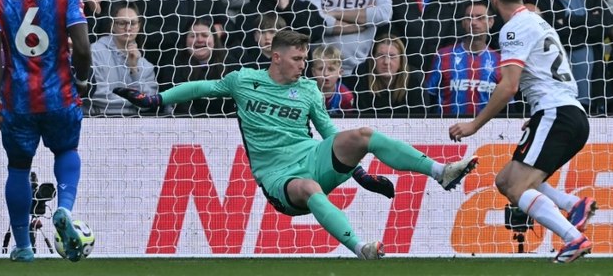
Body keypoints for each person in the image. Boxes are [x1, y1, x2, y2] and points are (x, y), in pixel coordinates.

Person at [115, 29, 478, 259]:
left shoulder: (307, 90)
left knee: (363, 135)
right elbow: (201, 88)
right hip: (278, 178)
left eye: (305, 58)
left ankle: (440, 172)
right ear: (276, 57)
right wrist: (157, 100)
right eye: (297, 59)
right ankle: (360, 248)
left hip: (312, 156)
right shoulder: (244, 81)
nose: (304, 65)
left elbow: (328, 133)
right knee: (309, 187)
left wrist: (360, 174)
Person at [449, 0, 597, 264]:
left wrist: (474, 125)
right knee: (506, 181)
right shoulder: (538, 21)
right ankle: (573, 204)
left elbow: (509, 86)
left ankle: (573, 238)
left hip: (557, 113)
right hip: (566, 112)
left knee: (517, 187)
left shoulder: (513, 29)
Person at [0, 0, 92, 262]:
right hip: (60, 95)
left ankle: (24, 247)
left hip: (18, 100)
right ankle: (65, 209)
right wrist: (82, 81)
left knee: (17, 167)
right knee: (66, 150)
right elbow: (83, 49)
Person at [426, 1, 501, 117]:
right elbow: (428, 97)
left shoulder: (499, 61)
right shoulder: (443, 56)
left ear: (490, 22)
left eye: (480, 18)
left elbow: (506, 104)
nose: (474, 23)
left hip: (486, 130)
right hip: (446, 128)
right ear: (463, 23)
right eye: (469, 18)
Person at [89, 2, 160, 116]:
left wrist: (134, 70)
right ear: (113, 25)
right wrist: (135, 102)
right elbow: (96, 94)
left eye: (133, 23)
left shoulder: (146, 66)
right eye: (122, 23)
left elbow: (148, 105)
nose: (128, 28)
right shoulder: (95, 52)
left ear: (139, 26)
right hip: (97, 122)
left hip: (133, 126)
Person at [351, 35, 428, 117]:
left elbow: (420, 117)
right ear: (373, 59)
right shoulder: (361, 75)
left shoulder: (414, 78)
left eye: (392, 56)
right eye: (381, 56)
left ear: (401, 61)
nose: (386, 62)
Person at [310, 45, 354, 115]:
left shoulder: (345, 96)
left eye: (331, 69)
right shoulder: (307, 93)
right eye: (321, 69)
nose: (326, 74)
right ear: (313, 72)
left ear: (340, 73)